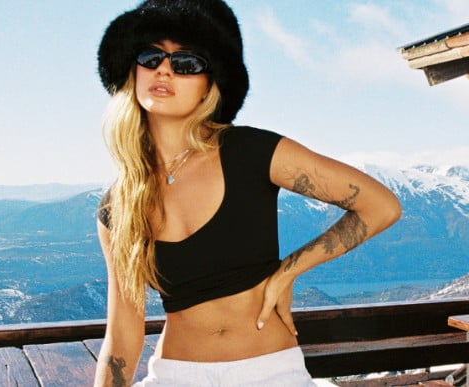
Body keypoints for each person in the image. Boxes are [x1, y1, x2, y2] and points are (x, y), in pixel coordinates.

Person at [88, 1, 402, 385]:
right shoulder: (117, 207)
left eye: (187, 63)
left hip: (270, 372)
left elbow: (380, 206)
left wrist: (289, 271)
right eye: (151, 57)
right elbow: (122, 337)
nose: (165, 69)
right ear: (130, 71)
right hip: (175, 374)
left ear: (211, 84)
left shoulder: (253, 152)